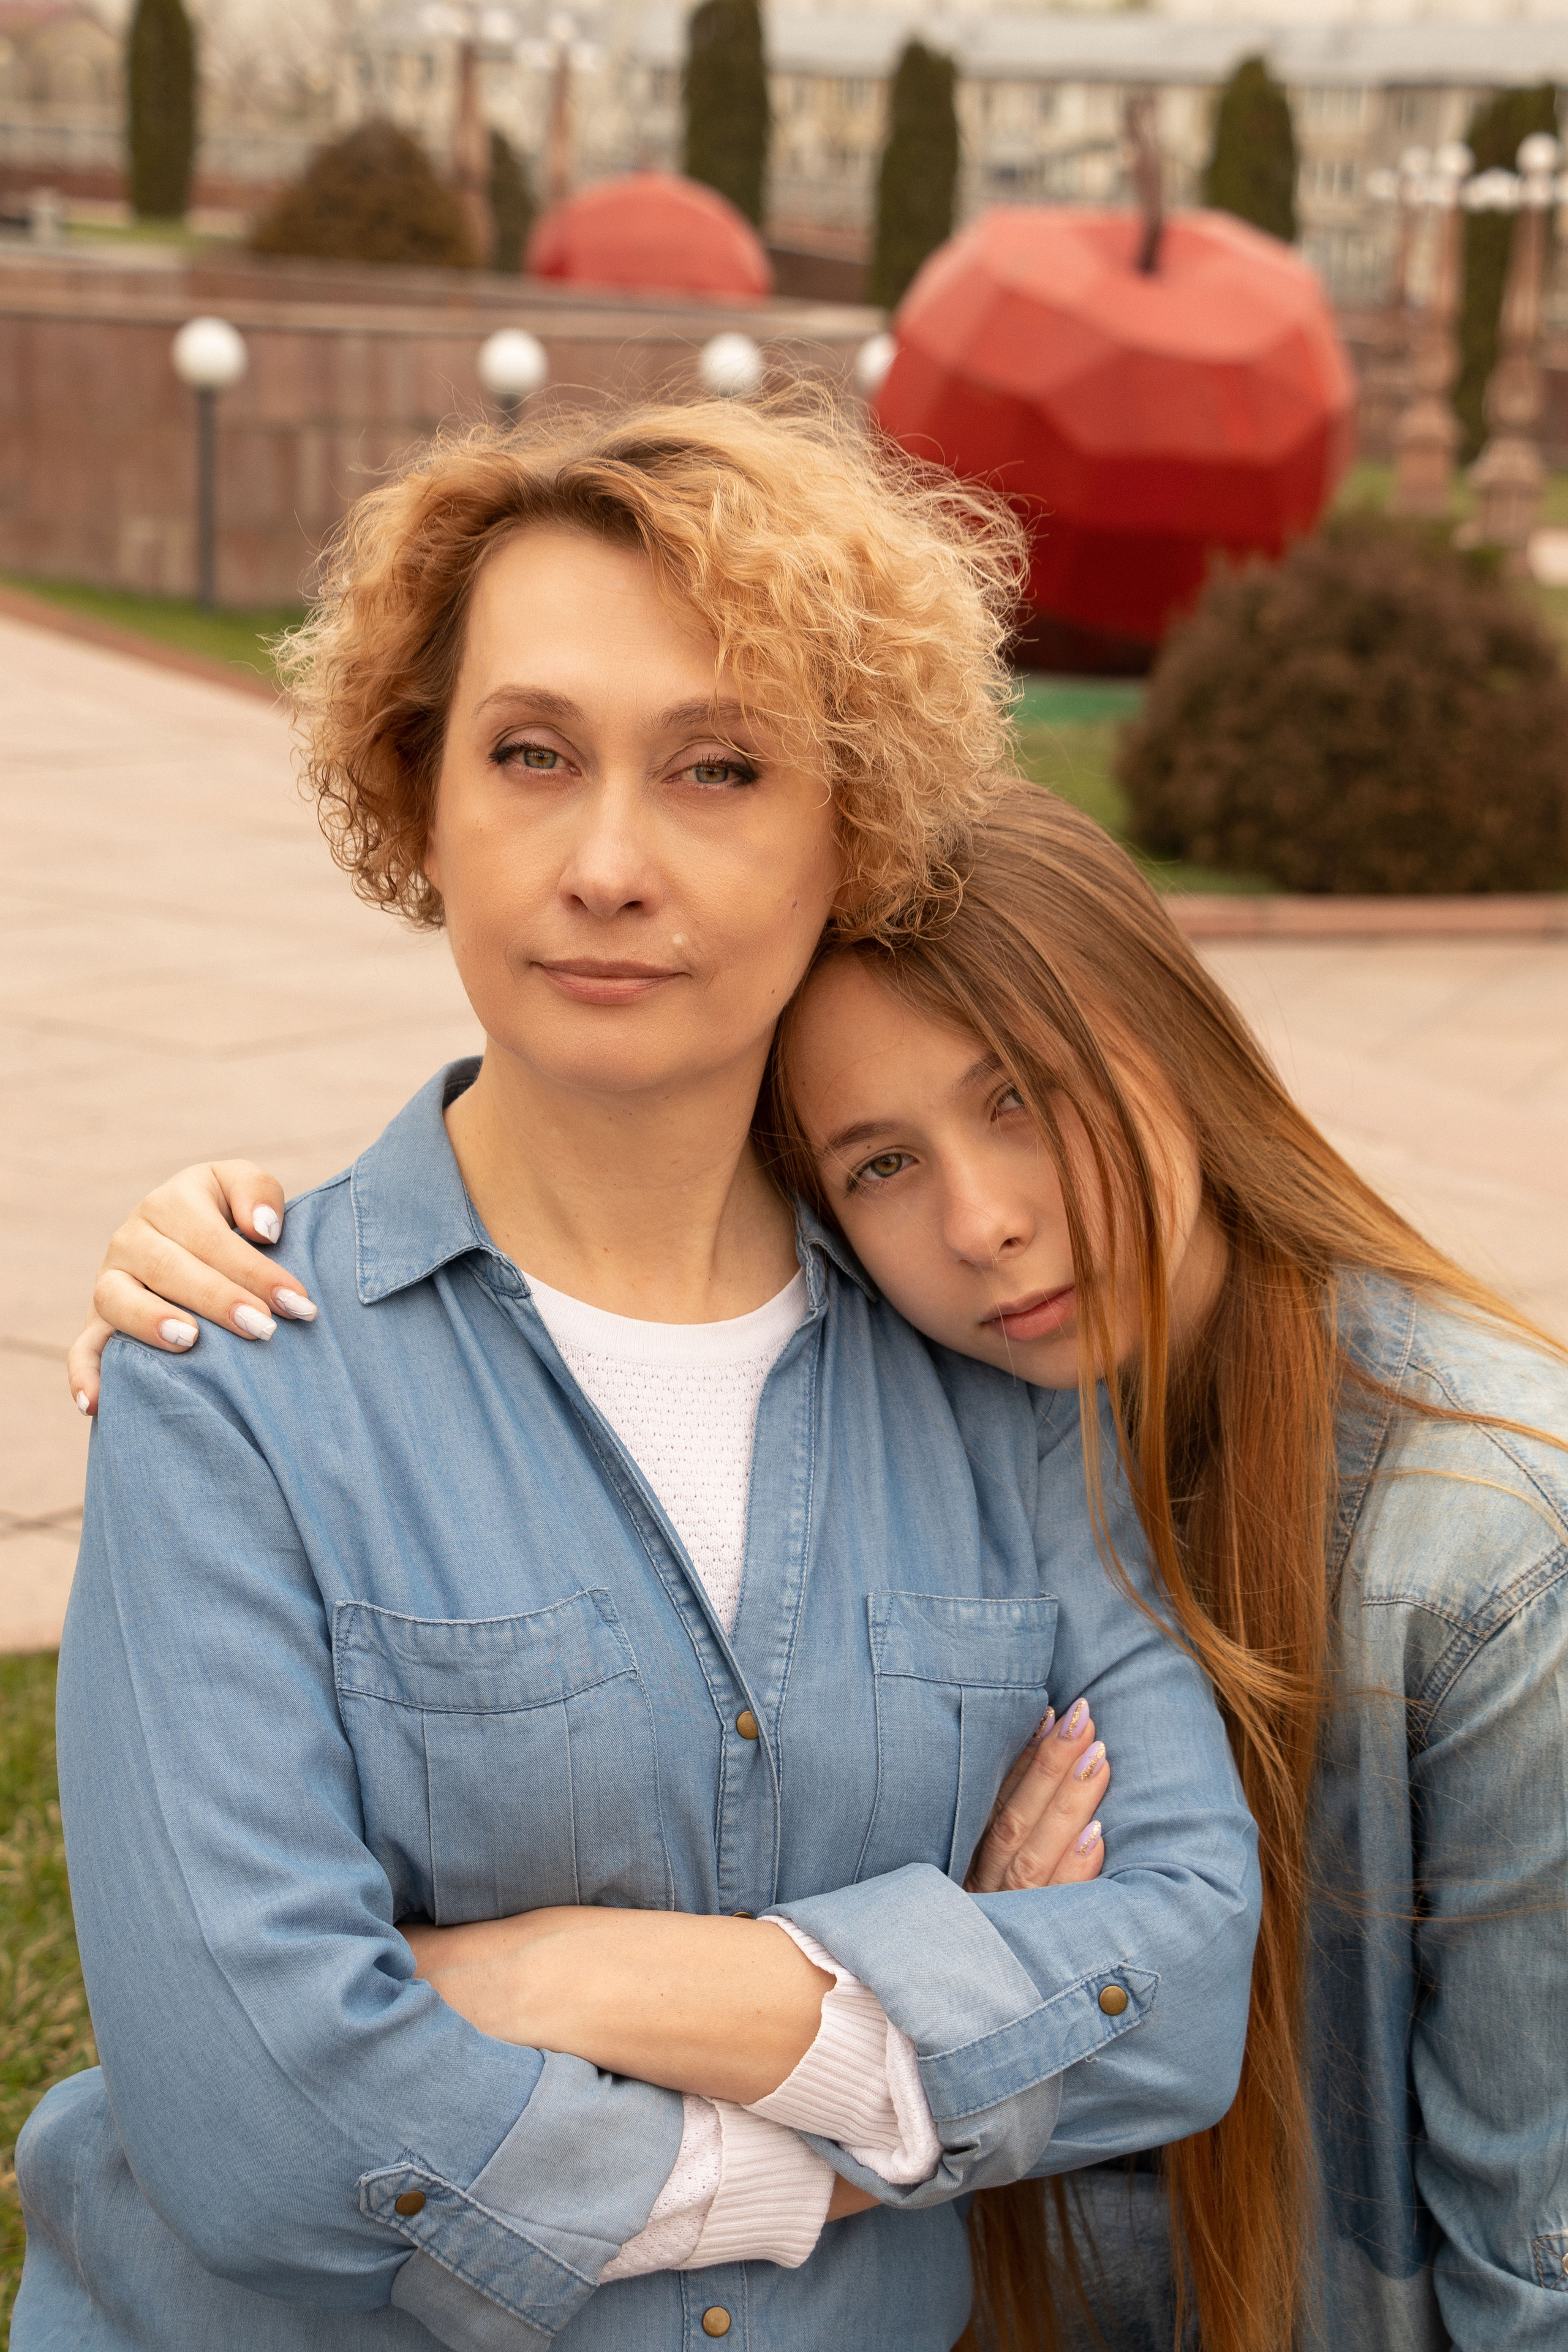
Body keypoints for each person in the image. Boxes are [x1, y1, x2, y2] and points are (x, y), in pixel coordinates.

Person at [16, 404, 1259, 2352]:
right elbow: (261, 2130)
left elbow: (1180, 1987)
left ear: (849, 829)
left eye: (717, 769)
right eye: (530, 755)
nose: (606, 863)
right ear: (418, 801)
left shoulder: (986, 1383)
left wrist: (562, 1980)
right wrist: (873, 2104)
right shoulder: (229, 1374)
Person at [79, 774, 1568, 2352]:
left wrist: (553, 1972)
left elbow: (1523, 2254)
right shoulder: (951, 1414)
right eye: (877, 1164)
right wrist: (963, 1965)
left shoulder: (1494, 1562)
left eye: (1023, 1098)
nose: (983, 1221)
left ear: (1182, 1043)